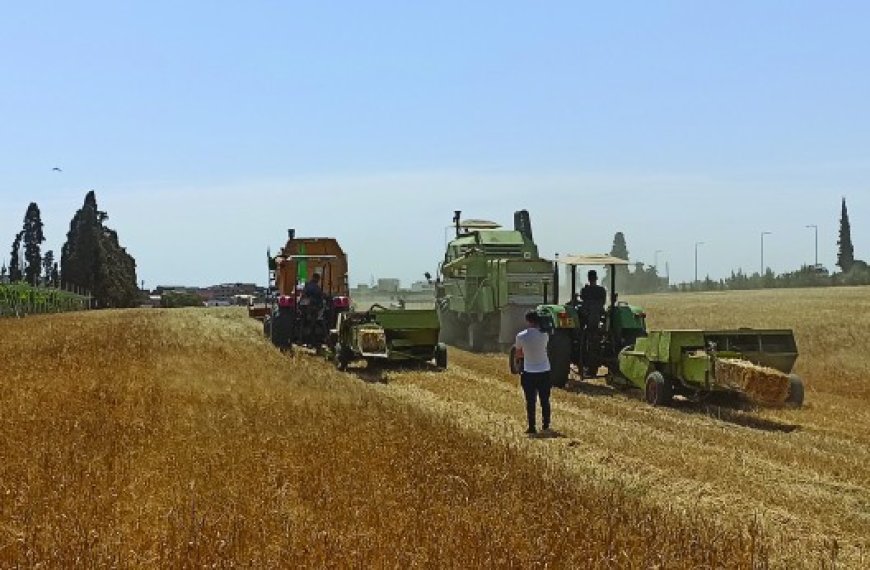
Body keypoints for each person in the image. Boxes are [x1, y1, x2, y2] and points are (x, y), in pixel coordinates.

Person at [513, 310, 551, 435]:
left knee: (530, 401)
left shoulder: (521, 336)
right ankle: (545, 425)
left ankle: (532, 426)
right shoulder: (545, 335)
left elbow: (518, 354)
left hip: (529, 372)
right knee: (545, 400)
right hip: (544, 371)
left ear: (527, 321)